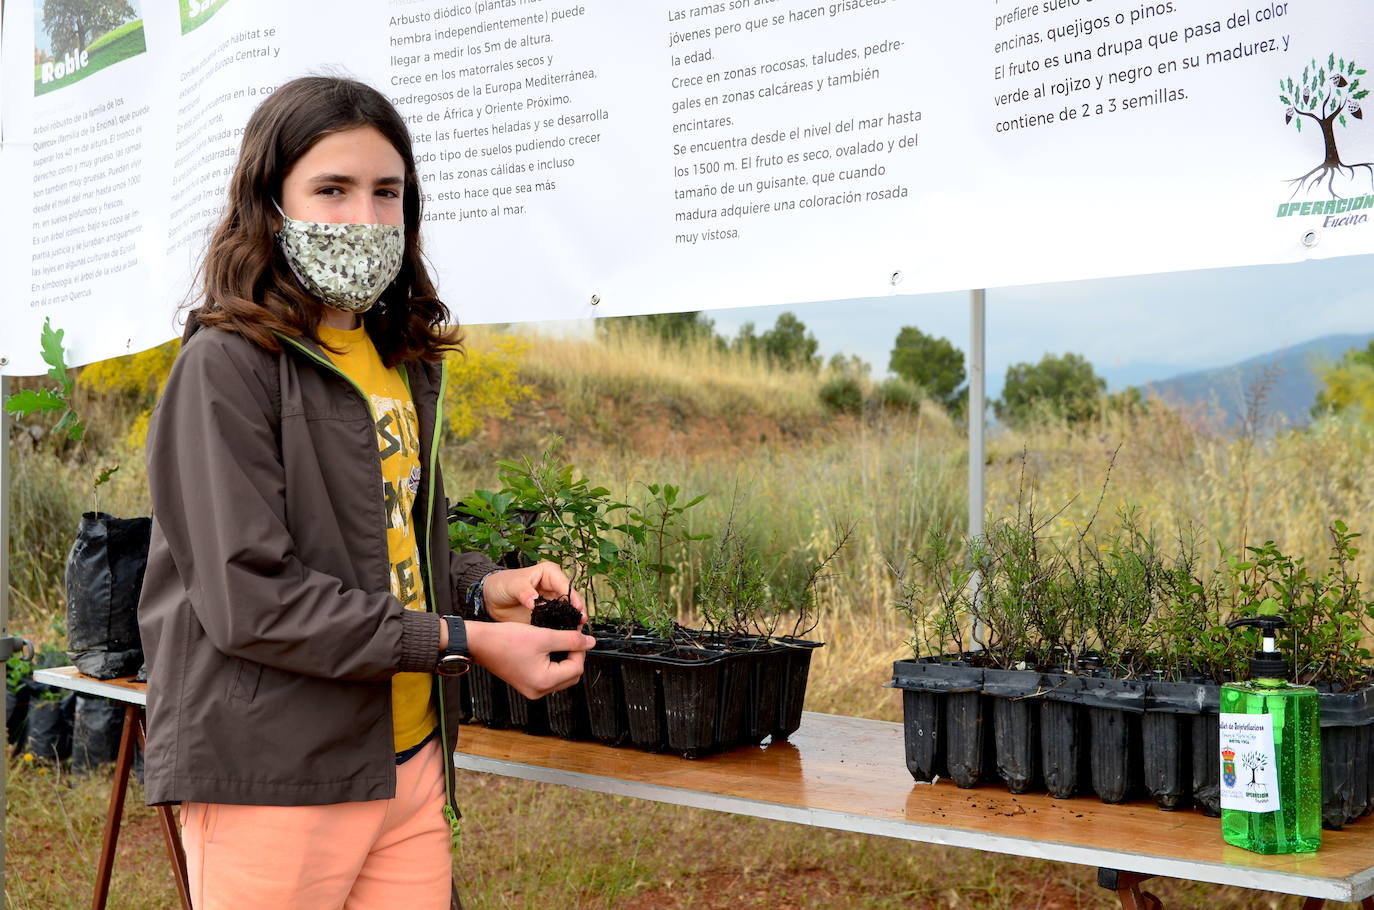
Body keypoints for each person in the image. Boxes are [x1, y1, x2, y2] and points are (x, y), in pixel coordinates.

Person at [136, 75, 595, 910]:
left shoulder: (400, 360)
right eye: (332, 190)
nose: (364, 218)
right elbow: (250, 598)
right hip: (275, 775)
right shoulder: (227, 367)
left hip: (408, 756)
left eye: (387, 193)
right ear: (269, 204)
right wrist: (464, 641)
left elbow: (382, 533)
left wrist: (480, 586)